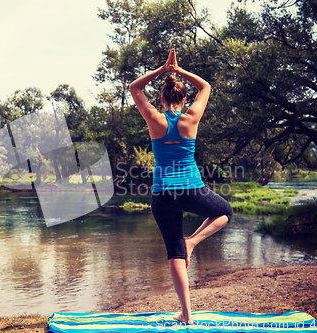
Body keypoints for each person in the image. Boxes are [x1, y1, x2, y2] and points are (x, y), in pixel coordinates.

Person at [129, 49, 233, 324]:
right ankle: (193, 242)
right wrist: (179, 71)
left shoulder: (154, 118)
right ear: (184, 98)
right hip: (192, 189)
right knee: (225, 212)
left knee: (174, 252)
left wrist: (162, 70)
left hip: (162, 194)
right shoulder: (191, 118)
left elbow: (134, 87)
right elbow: (206, 86)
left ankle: (186, 314)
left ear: (162, 98)